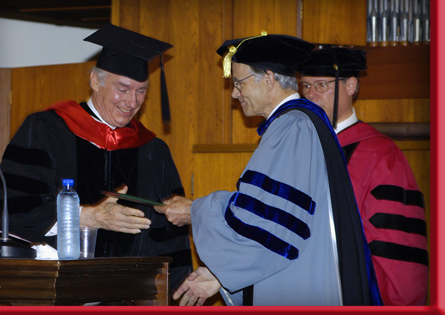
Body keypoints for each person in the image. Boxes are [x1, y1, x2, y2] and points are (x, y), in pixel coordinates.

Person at [155, 33, 382, 306]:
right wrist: (221, 274)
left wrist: (197, 210)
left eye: (239, 82)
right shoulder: (302, 123)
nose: (235, 93)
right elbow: (273, 217)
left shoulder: (293, 127)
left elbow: (270, 223)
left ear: (269, 78)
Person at [0, 23, 192, 293]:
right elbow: (11, 210)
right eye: (122, 89)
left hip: (129, 295)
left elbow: (170, 240)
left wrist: (173, 290)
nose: (132, 101)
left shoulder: (153, 151)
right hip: (56, 289)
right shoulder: (47, 130)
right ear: (95, 81)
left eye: (141, 91)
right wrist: (86, 216)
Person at [297, 47, 428, 305]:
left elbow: (396, 247)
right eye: (304, 86)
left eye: (321, 85)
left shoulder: (380, 154)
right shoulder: (300, 150)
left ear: (351, 86)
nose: (310, 95)